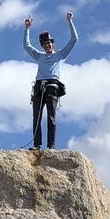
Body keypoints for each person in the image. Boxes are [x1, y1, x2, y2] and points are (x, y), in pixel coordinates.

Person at [23, 12, 77, 149]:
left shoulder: (60, 55)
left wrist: (70, 22)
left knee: (51, 118)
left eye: (48, 43)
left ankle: (51, 146)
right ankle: (36, 145)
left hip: (52, 86)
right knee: (37, 117)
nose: (47, 46)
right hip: (39, 86)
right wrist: (27, 29)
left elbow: (74, 39)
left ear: (53, 43)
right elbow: (26, 45)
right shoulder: (40, 56)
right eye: (44, 44)